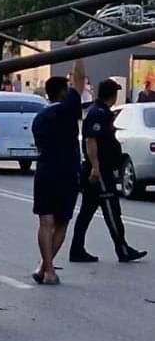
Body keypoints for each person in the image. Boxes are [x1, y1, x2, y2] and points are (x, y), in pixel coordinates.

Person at [69, 79, 147, 264]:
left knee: (87, 211)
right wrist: (96, 168)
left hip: (99, 169)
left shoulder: (102, 112)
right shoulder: (98, 114)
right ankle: (122, 250)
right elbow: (91, 141)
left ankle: (77, 249)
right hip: (100, 171)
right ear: (111, 95)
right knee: (112, 210)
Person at [30, 58, 85, 285]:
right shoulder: (68, 109)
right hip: (67, 172)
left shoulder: (39, 118)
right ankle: (48, 269)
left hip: (44, 170)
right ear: (63, 92)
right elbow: (79, 79)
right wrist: (77, 52)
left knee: (45, 222)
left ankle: (45, 267)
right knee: (61, 222)